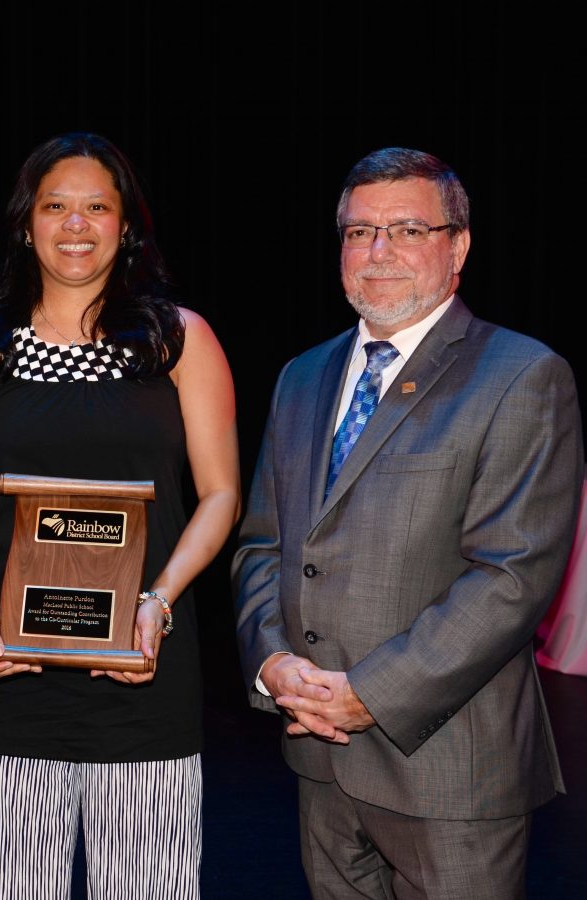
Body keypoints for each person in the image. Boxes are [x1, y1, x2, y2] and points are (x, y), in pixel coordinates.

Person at [231, 146, 584, 899]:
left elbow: (512, 578)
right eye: (360, 232)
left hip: (450, 773)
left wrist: (373, 691)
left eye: (406, 230)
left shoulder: (522, 375)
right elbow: (263, 541)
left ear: (458, 246)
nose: (379, 251)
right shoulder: (301, 376)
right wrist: (273, 664)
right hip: (319, 757)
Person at [0, 132, 240, 899]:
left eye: (96, 207)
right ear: (26, 223)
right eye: (56, 206)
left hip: (144, 670)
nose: (76, 225)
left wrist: (158, 603)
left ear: (125, 224)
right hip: (11, 676)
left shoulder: (181, 340)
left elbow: (221, 496)